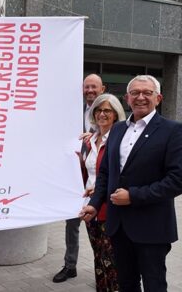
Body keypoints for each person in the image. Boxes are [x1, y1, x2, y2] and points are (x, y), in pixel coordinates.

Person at [80, 75, 182, 292]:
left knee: (154, 285)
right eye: (135, 93)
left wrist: (133, 196)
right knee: (126, 284)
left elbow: (176, 180)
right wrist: (95, 204)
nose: (141, 97)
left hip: (151, 227)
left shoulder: (172, 131)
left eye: (147, 93)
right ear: (127, 98)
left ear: (159, 98)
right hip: (118, 226)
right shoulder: (117, 130)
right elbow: (106, 172)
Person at [53, 74, 105, 283]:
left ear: (103, 89)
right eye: (86, 87)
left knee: (101, 230)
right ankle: (70, 265)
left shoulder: (108, 110)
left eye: (94, 87)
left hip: (97, 179)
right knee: (71, 224)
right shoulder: (74, 112)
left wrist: (92, 137)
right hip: (74, 177)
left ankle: (103, 272)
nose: (90, 91)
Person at [82, 94, 126, 291]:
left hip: (110, 208)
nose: (102, 114)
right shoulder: (89, 140)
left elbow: (123, 175)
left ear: (116, 114)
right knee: (98, 258)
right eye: (98, 110)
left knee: (113, 262)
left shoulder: (122, 140)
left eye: (107, 110)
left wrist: (101, 190)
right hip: (90, 208)